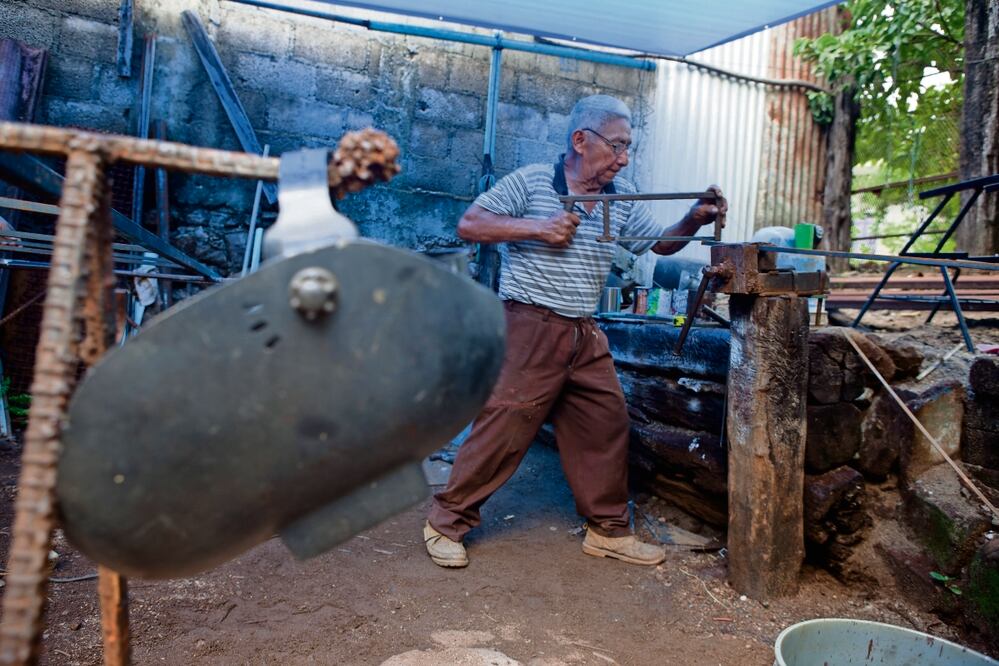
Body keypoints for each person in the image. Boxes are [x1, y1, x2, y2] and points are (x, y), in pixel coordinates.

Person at [424, 94, 726, 568]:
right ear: (581, 140)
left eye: (630, 148)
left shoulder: (618, 199)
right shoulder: (533, 182)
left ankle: (607, 530)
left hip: (584, 331)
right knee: (505, 425)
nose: (624, 158)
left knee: (604, 424)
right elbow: (471, 223)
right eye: (617, 146)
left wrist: (692, 217)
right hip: (529, 324)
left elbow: (661, 245)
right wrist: (539, 229)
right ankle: (446, 522)